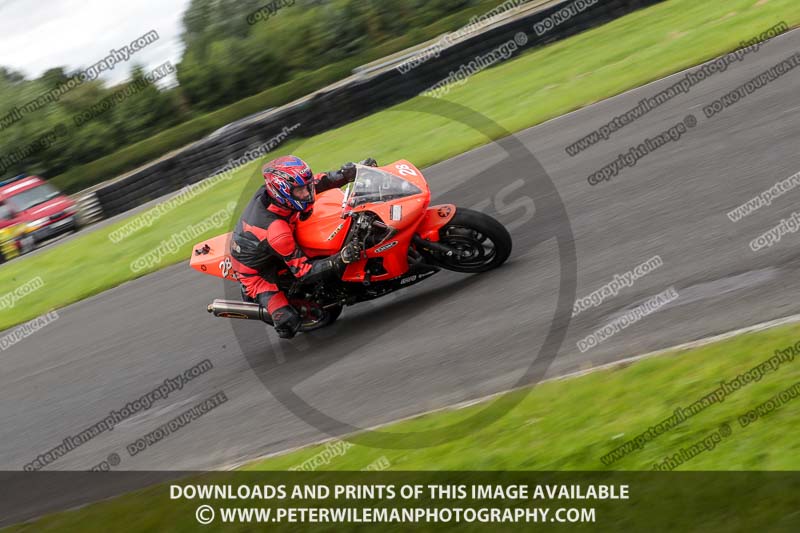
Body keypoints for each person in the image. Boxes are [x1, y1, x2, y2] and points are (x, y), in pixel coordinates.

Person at [230, 155, 377, 339]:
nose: (308, 194)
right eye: (301, 191)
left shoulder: (284, 194)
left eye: (306, 188)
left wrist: (347, 174)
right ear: (282, 192)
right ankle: (277, 312)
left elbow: (317, 181)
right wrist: (342, 258)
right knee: (288, 323)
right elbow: (305, 273)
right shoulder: (277, 232)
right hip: (257, 273)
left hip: (275, 235)